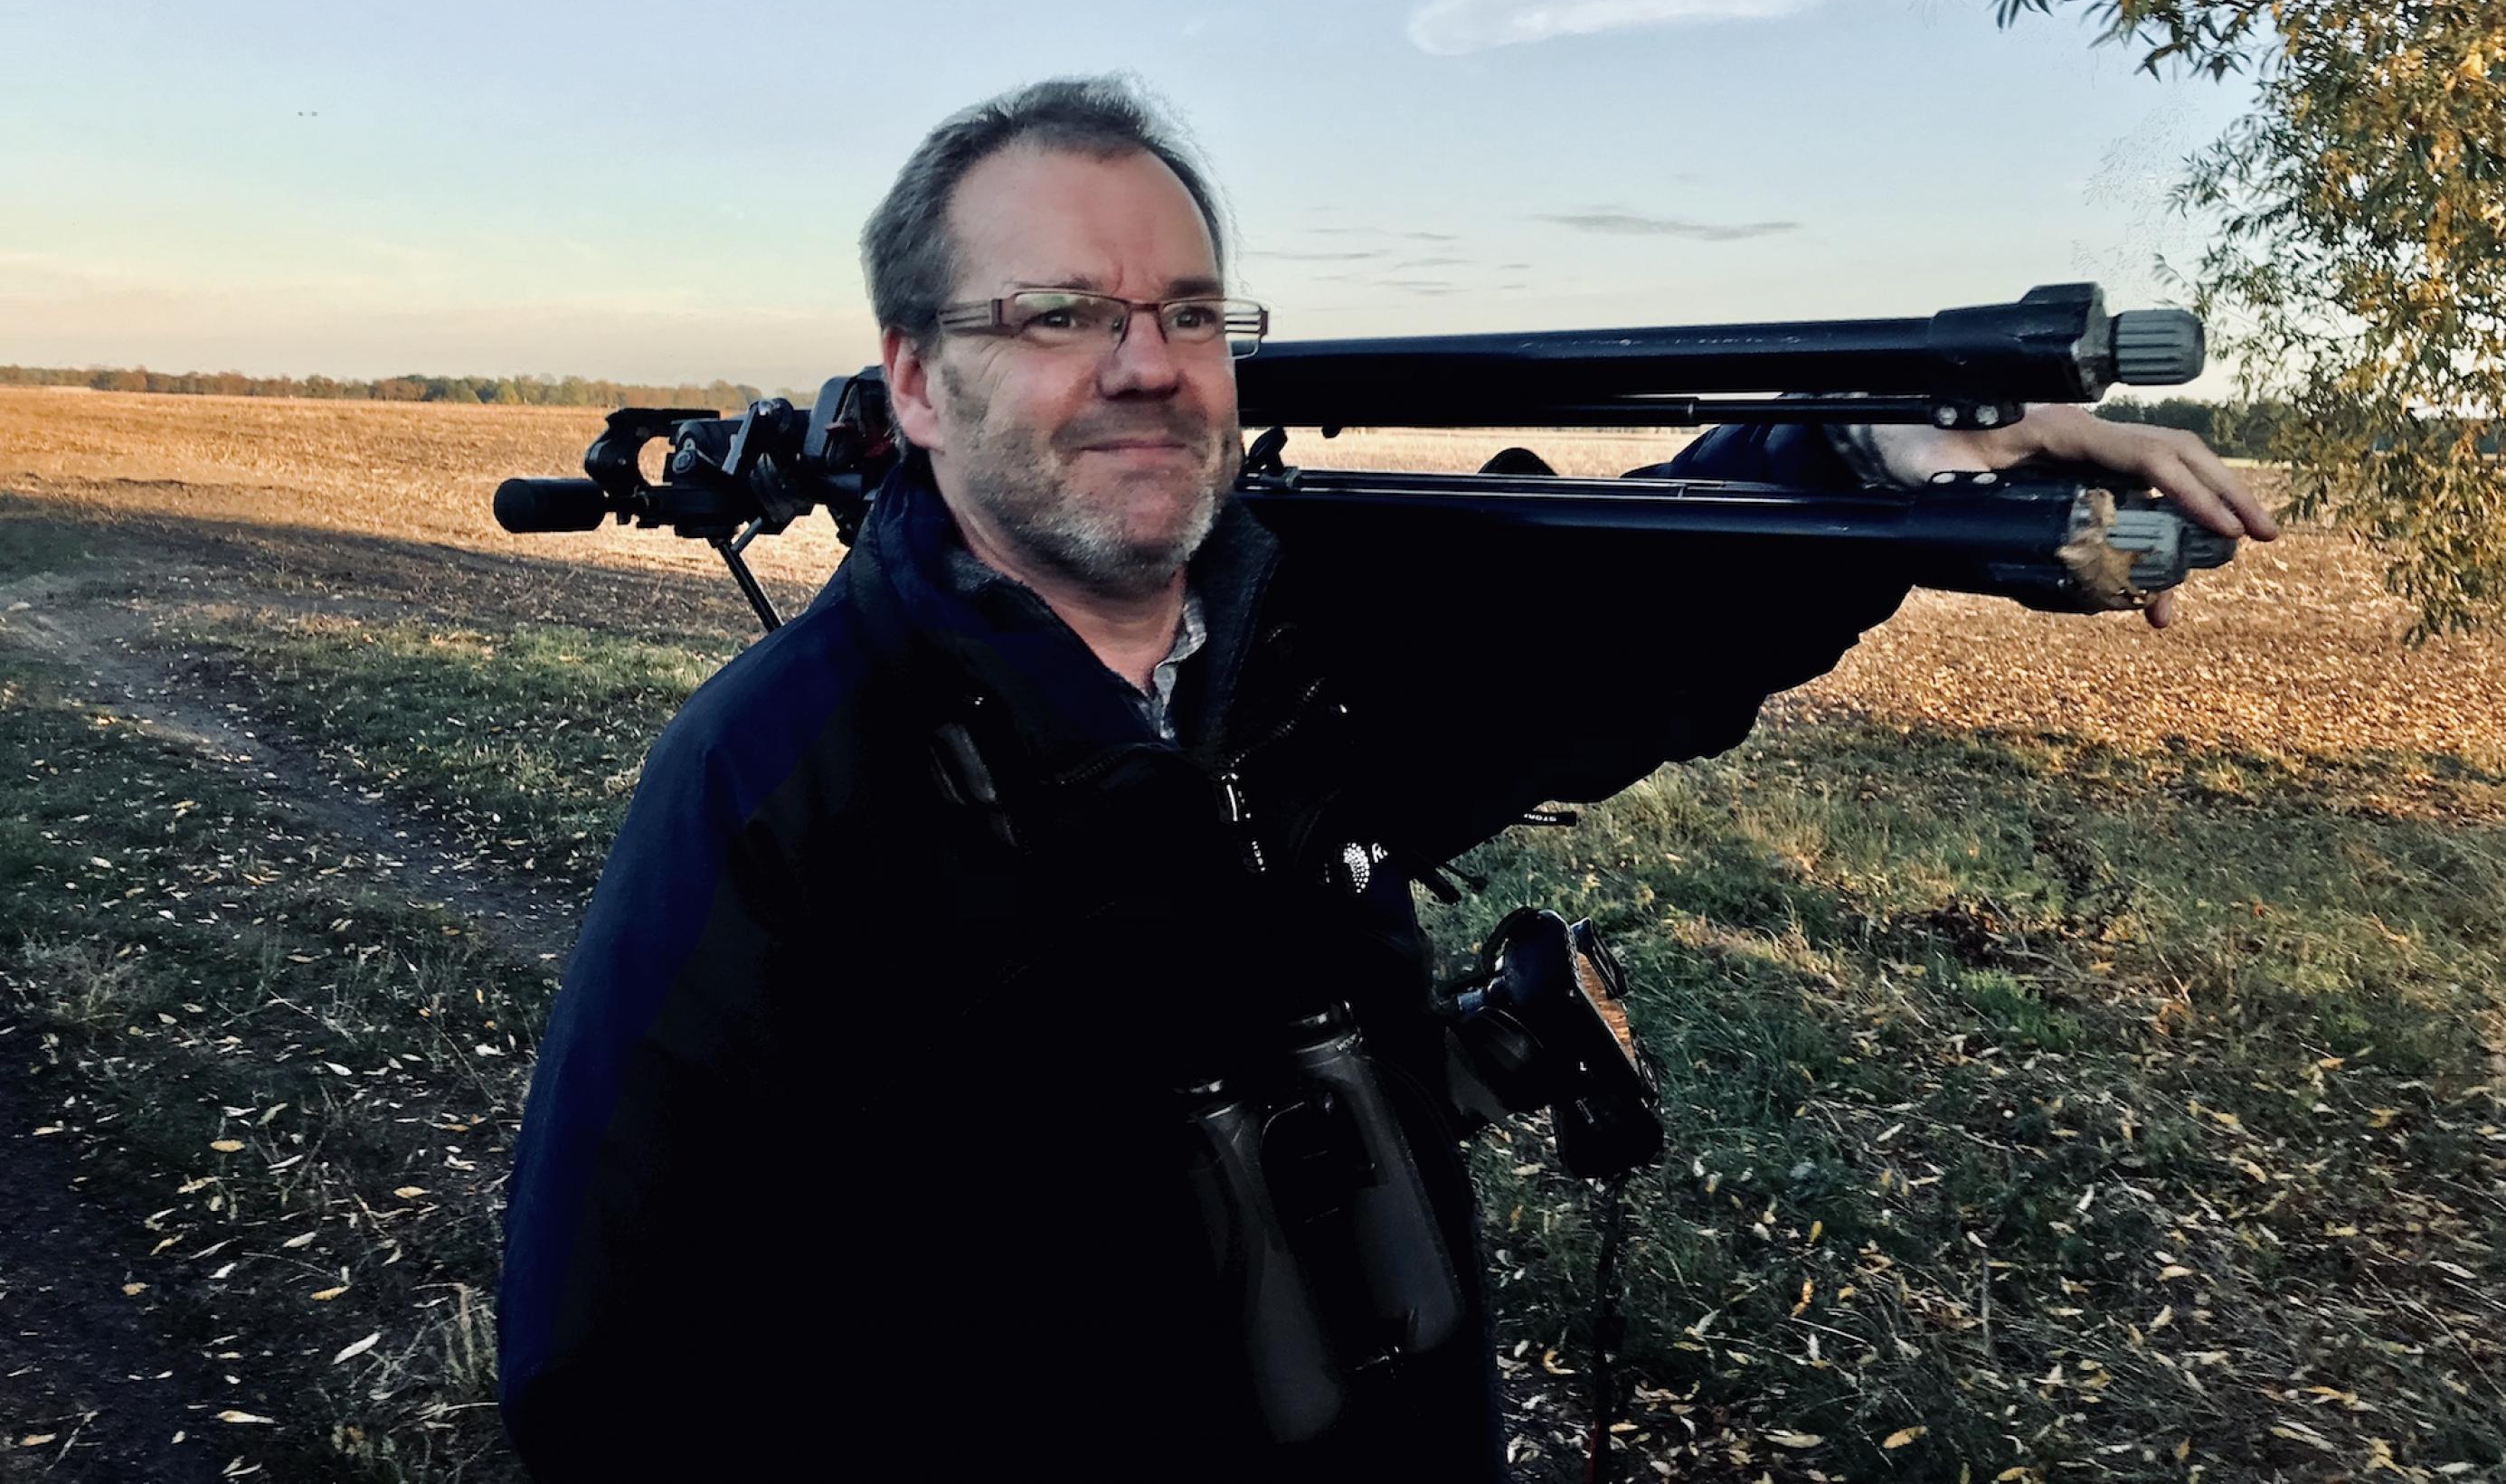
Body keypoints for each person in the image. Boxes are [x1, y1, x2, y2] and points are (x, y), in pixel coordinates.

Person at [495, 77, 2276, 1482]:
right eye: (1059, 312)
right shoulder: (776, 779)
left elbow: (1621, 612)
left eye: (1189, 309)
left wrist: (1888, 446)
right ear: (921, 378)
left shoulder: (1300, 649)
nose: (1142, 364)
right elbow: (610, 1380)